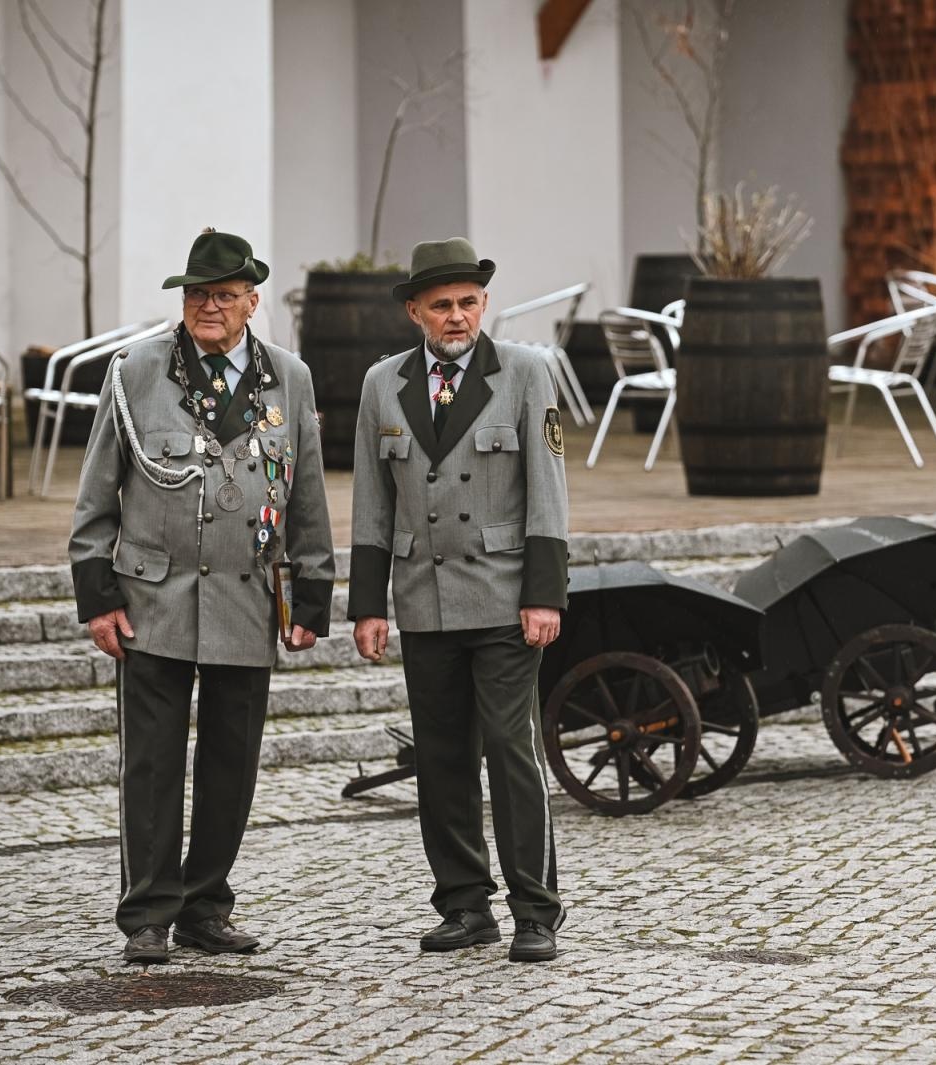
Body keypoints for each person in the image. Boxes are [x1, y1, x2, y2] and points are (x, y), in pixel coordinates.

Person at [70, 228, 335, 964]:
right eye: (196, 293)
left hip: (248, 598)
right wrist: (98, 595)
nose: (207, 306)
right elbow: (96, 495)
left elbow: (306, 491)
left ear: (253, 302)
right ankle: (149, 912)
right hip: (151, 600)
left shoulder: (290, 377)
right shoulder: (136, 372)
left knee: (231, 763)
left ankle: (205, 906)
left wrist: (311, 595)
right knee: (151, 762)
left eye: (223, 294)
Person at [348, 237, 569, 963]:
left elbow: (549, 493)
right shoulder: (383, 383)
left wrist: (544, 594)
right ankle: (465, 905)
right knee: (441, 758)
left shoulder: (527, 372)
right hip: (425, 598)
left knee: (510, 750)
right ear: (415, 310)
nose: (457, 316)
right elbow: (372, 502)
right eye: (441, 305)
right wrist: (367, 604)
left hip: (506, 602)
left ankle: (536, 910)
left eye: (468, 302)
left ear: (484, 304)